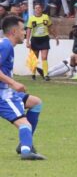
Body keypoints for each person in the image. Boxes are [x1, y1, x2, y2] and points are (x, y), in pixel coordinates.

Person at [0, 15, 46, 160]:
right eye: (22, 30)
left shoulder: (7, 45)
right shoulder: (5, 45)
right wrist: (13, 83)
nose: (25, 33)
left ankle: (25, 143)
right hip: (3, 94)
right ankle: (26, 151)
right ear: (13, 31)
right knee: (24, 124)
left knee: (36, 103)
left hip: (6, 92)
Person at [26, 3, 59, 81]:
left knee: (44, 57)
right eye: (36, 8)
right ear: (34, 9)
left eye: (39, 8)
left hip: (44, 39)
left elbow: (50, 28)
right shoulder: (31, 18)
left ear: (42, 9)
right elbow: (28, 30)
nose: (37, 9)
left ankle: (46, 75)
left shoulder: (46, 17)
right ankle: (33, 74)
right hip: (35, 39)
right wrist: (27, 41)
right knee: (35, 57)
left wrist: (56, 36)